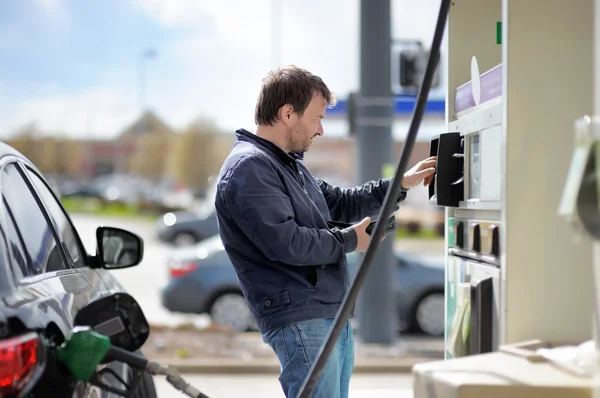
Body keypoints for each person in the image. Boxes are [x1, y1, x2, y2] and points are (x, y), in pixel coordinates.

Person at [214, 65, 436, 398]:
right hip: (302, 317)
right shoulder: (250, 168)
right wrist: (351, 240)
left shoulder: (286, 165)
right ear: (288, 113)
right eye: (317, 118)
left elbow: (342, 202)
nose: (320, 130)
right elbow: (286, 243)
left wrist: (401, 183)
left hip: (328, 312)